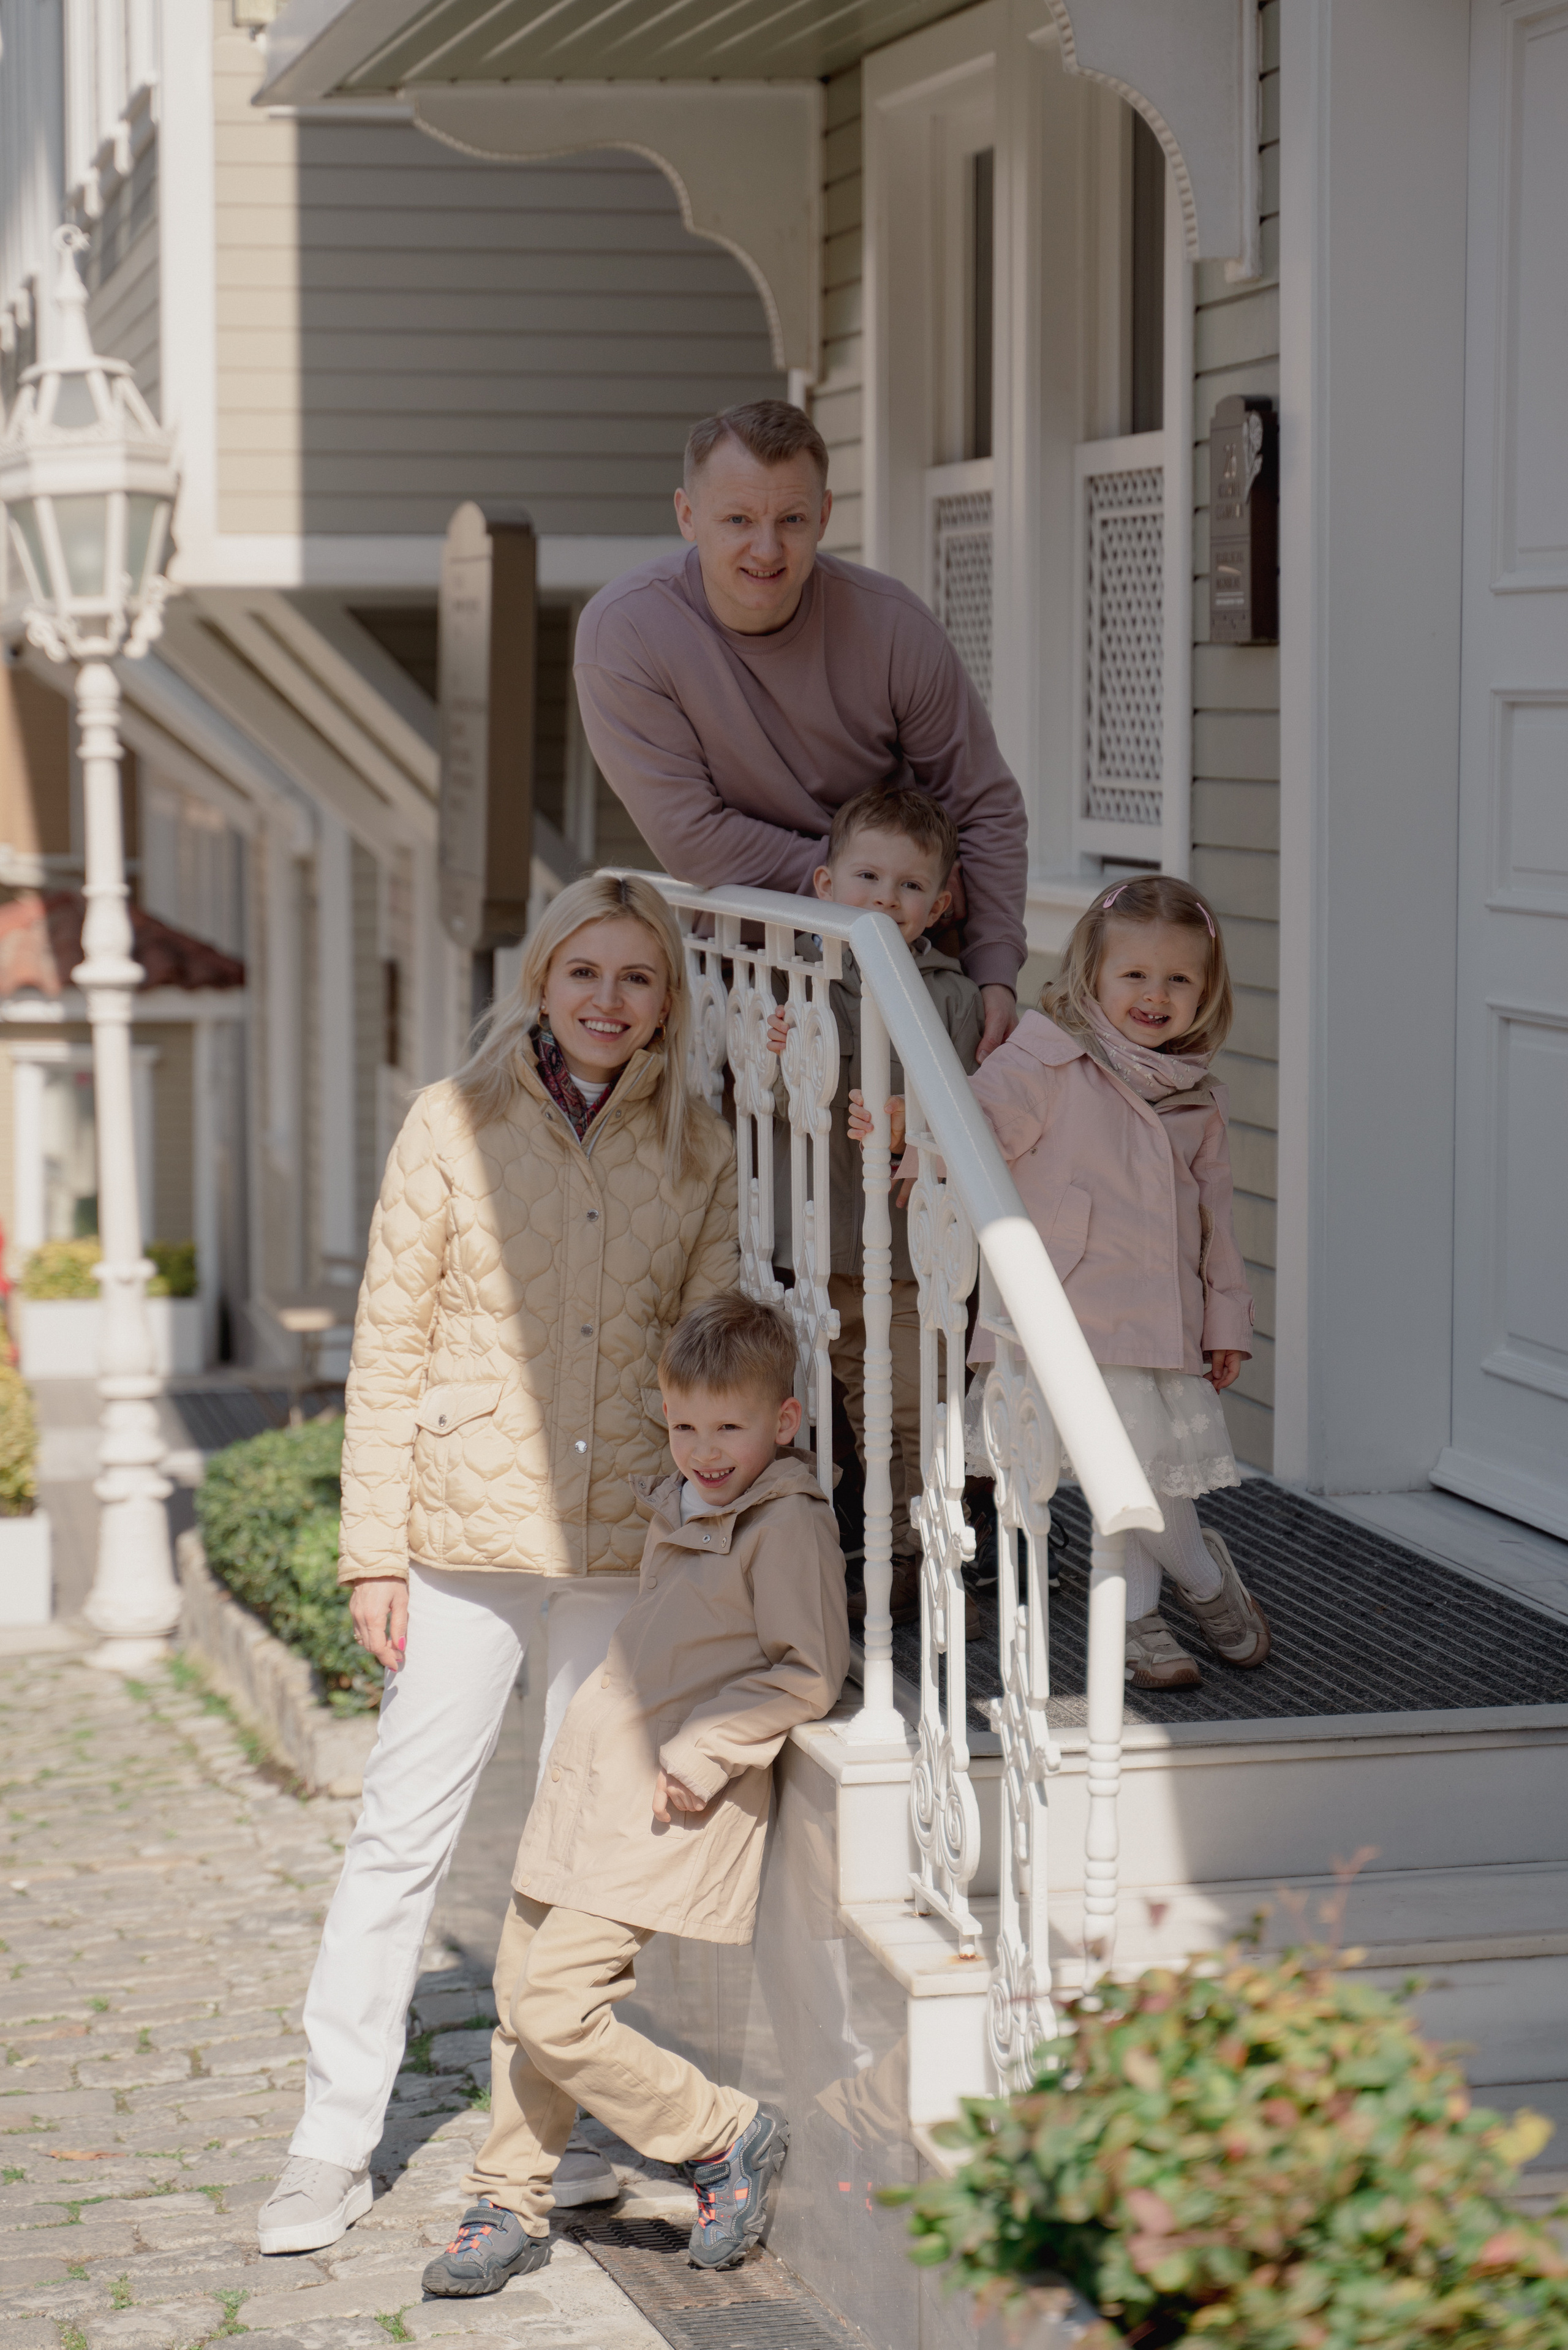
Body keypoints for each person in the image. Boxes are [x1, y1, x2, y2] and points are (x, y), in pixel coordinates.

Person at [256, 873, 739, 2258]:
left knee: (579, 1861)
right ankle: (327, 2144)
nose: (605, 1001)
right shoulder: (448, 1123)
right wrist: (373, 1555)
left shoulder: (697, 1146)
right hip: (460, 1538)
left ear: (665, 1000)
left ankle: (554, 2136)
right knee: (399, 1838)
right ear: (540, 981)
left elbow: (708, 1346)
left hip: (615, 1542)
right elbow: (389, 1342)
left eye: (634, 979)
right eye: (582, 972)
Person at [420, 1292, 850, 2298]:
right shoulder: (685, 1503)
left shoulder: (782, 1525)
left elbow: (807, 1672)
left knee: (561, 2009)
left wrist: (708, 1748)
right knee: (520, 2000)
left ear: (782, 1422)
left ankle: (724, 2131)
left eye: (730, 1427)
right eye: (687, 1425)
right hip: (591, 1784)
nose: (705, 1449)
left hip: (667, 1797)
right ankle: (509, 2197)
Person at [573, 398, 1028, 1063]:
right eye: (737, 520)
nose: (766, 548)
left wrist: (994, 971)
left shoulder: (891, 626)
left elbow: (981, 803)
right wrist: (870, 886)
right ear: (687, 515)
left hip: (913, 981)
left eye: (790, 519)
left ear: (823, 516)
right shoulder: (626, 633)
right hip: (746, 982)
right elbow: (694, 839)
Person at [949, 875, 1270, 1690]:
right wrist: (898, 1139)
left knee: (1141, 1469)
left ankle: (1143, 1617)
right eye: (1134, 975)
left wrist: (1226, 1318)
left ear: (1207, 990)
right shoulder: (1042, 1060)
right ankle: (1194, 1583)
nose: (1155, 995)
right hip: (1063, 1308)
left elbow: (1214, 1226)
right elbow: (969, 1128)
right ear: (1092, 973)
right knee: (1114, 1470)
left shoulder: (1196, 1097)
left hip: (1160, 1322)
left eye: (1179, 979)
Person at [767, 786, 983, 1623]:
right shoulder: (796, 982)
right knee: (834, 1404)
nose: (886, 900)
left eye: (909, 886)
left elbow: (965, 1112)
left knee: (899, 1405)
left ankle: (910, 1556)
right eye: (867, 877)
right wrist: (786, 1059)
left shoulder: (954, 998)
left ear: (940, 901)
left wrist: (907, 1127)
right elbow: (778, 1107)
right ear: (826, 885)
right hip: (819, 1245)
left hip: (902, 1245)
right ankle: (847, 1548)